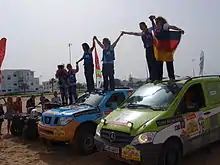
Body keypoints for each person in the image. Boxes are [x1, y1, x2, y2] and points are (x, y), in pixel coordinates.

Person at [150, 16, 184, 81]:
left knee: (169, 62)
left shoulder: (165, 26)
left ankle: (171, 77)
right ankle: (159, 78)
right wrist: (152, 20)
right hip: (159, 49)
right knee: (159, 63)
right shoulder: (156, 28)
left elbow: (172, 27)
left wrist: (179, 29)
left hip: (167, 48)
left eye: (158, 22)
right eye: (156, 22)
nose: (157, 23)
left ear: (162, 21)